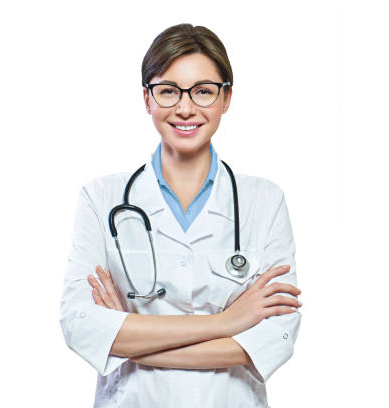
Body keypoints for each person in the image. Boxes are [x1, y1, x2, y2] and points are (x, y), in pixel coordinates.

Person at [59, 23, 302, 407]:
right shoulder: (100, 198)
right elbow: (81, 325)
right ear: (147, 99)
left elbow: (273, 338)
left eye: (203, 91)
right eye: (168, 91)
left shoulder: (264, 201)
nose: (185, 107)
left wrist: (128, 339)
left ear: (226, 98)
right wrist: (225, 322)